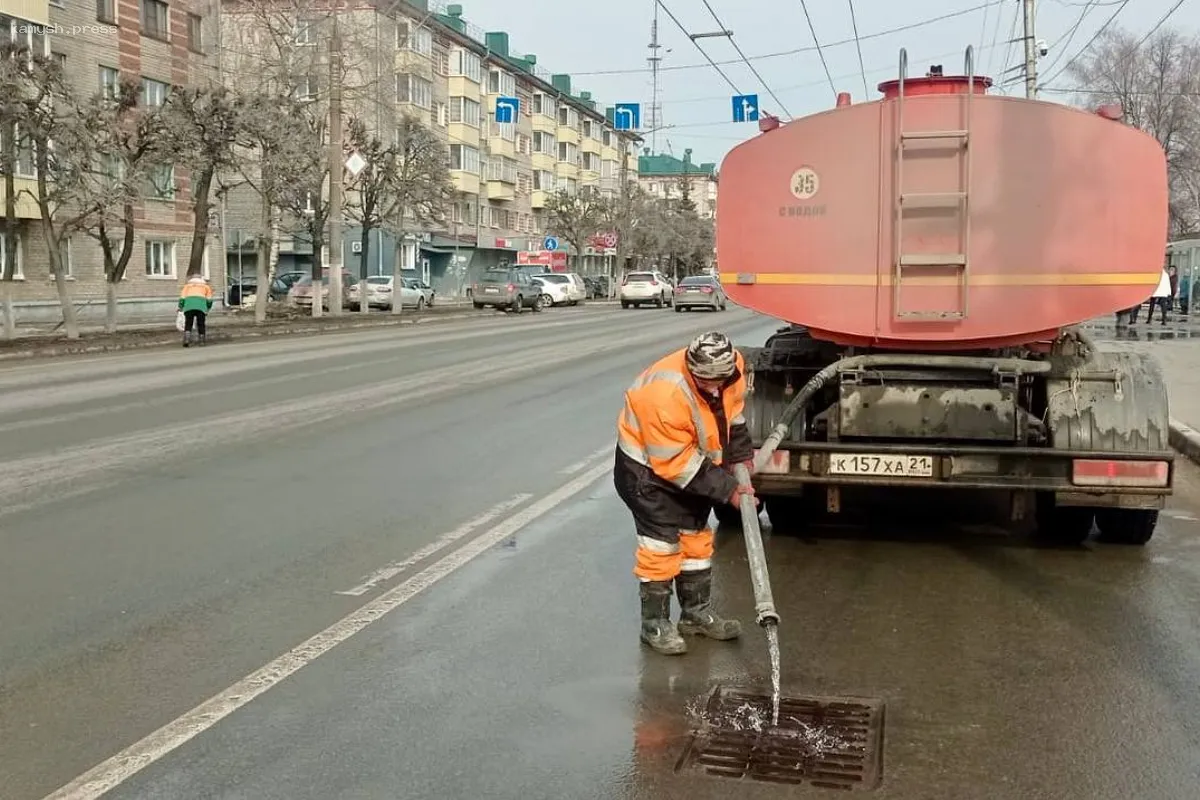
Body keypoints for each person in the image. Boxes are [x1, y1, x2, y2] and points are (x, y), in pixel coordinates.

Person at [613, 331, 757, 656]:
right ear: (692, 371)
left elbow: (732, 414)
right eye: (705, 382)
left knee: (696, 538)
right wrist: (730, 491)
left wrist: (741, 455)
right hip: (647, 473)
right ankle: (654, 625)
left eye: (719, 381)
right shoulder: (663, 394)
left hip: (696, 465)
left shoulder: (733, 369)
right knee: (662, 545)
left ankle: (695, 615)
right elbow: (676, 463)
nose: (714, 388)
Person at [178, 274, 213, 347]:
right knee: (201, 324)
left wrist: (180, 307)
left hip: (189, 306)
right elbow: (209, 300)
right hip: (201, 307)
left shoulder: (187, 286)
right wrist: (208, 308)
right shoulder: (206, 287)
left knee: (188, 323)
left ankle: (187, 340)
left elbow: (182, 298)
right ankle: (202, 341)